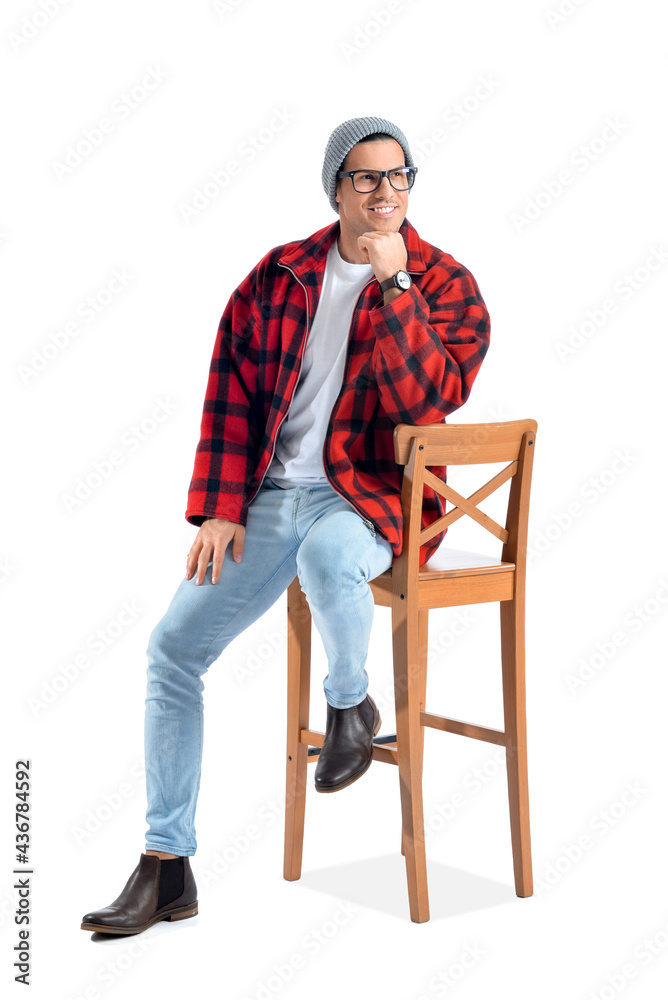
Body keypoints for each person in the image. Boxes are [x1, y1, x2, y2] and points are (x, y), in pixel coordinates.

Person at [81, 116, 490, 935]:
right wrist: (220, 508)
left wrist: (395, 287)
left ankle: (348, 707)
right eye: (366, 178)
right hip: (270, 497)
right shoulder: (279, 275)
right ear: (336, 188)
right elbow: (228, 394)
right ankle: (167, 868)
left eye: (399, 176)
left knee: (329, 557)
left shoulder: (444, 282)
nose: (385, 193)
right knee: (173, 649)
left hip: (370, 494)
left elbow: (429, 401)